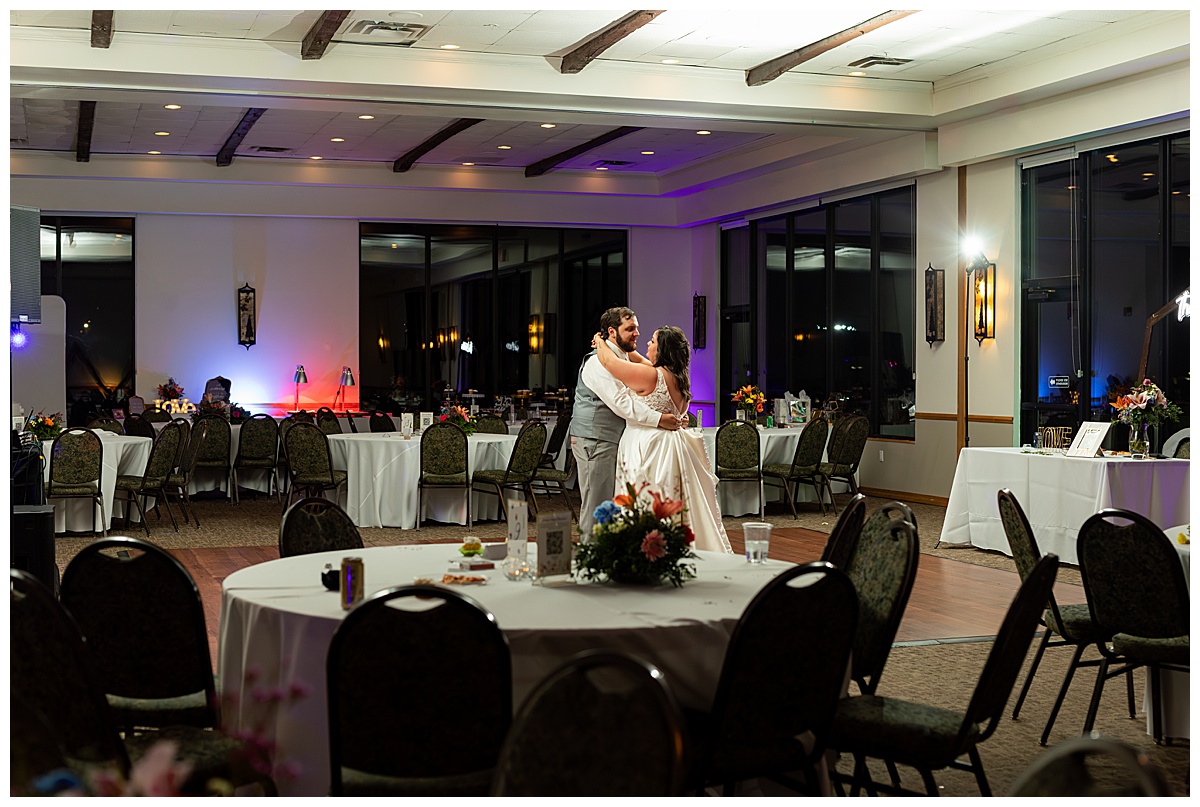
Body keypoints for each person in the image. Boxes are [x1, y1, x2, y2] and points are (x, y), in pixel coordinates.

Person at [591, 324, 733, 554]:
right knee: (672, 499)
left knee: (645, 499)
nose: (648, 343)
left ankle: (646, 550)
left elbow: (610, 364)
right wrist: (615, 344)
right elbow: (635, 358)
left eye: (653, 341)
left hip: (647, 445)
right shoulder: (678, 378)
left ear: (663, 349)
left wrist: (600, 342)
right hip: (673, 446)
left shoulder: (651, 375)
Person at [571, 307, 685, 537]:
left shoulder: (620, 357)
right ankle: (590, 562)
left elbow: (646, 367)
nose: (637, 334)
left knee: (614, 507)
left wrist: (601, 341)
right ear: (612, 332)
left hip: (615, 441)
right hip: (595, 440)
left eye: (638, 328)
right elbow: (620, 402)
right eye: (630, 328)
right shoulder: (597, 362)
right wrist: (659, 419)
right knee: (597, 506)